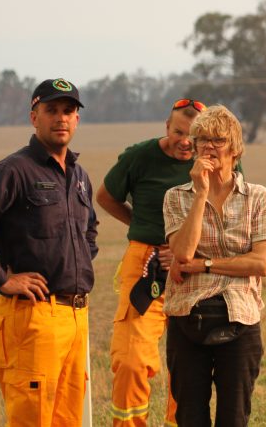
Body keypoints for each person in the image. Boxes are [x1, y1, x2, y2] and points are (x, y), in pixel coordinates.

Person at [0, 78, 98, 427]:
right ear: (34, 117)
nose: (60, 118)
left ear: (77, 120)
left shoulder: (79, 176)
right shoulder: (13, 171)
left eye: (68, 111)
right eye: (51, 111)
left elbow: (89, 228)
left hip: (76, 318)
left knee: (67, 420)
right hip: (34, 317)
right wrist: (2, 279)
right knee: (32, 419)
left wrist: (78, 263)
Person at [162, 104, 266, 426]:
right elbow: (182, 255)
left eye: (218, 140)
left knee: (235, 416)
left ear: (235, 148)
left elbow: (262, 263)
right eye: (202, 140)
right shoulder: (176, 197)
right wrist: (200, 194)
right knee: (189, 415)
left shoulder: (258, 197)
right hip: (188, 313)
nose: (209, 147)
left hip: (241, 315)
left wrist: (206, 264)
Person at [96, 98, 205, 426]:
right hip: (146, 265)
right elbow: (105, 196)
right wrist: (140, 225)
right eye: (178, 132)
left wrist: (191, 250)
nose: (186, 142)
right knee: (131, 361)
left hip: (195, 270)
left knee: (188, 364)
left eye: (194, 136)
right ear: (166, 127)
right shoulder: (139, 156)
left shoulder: (217, 159)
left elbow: (232, 214)